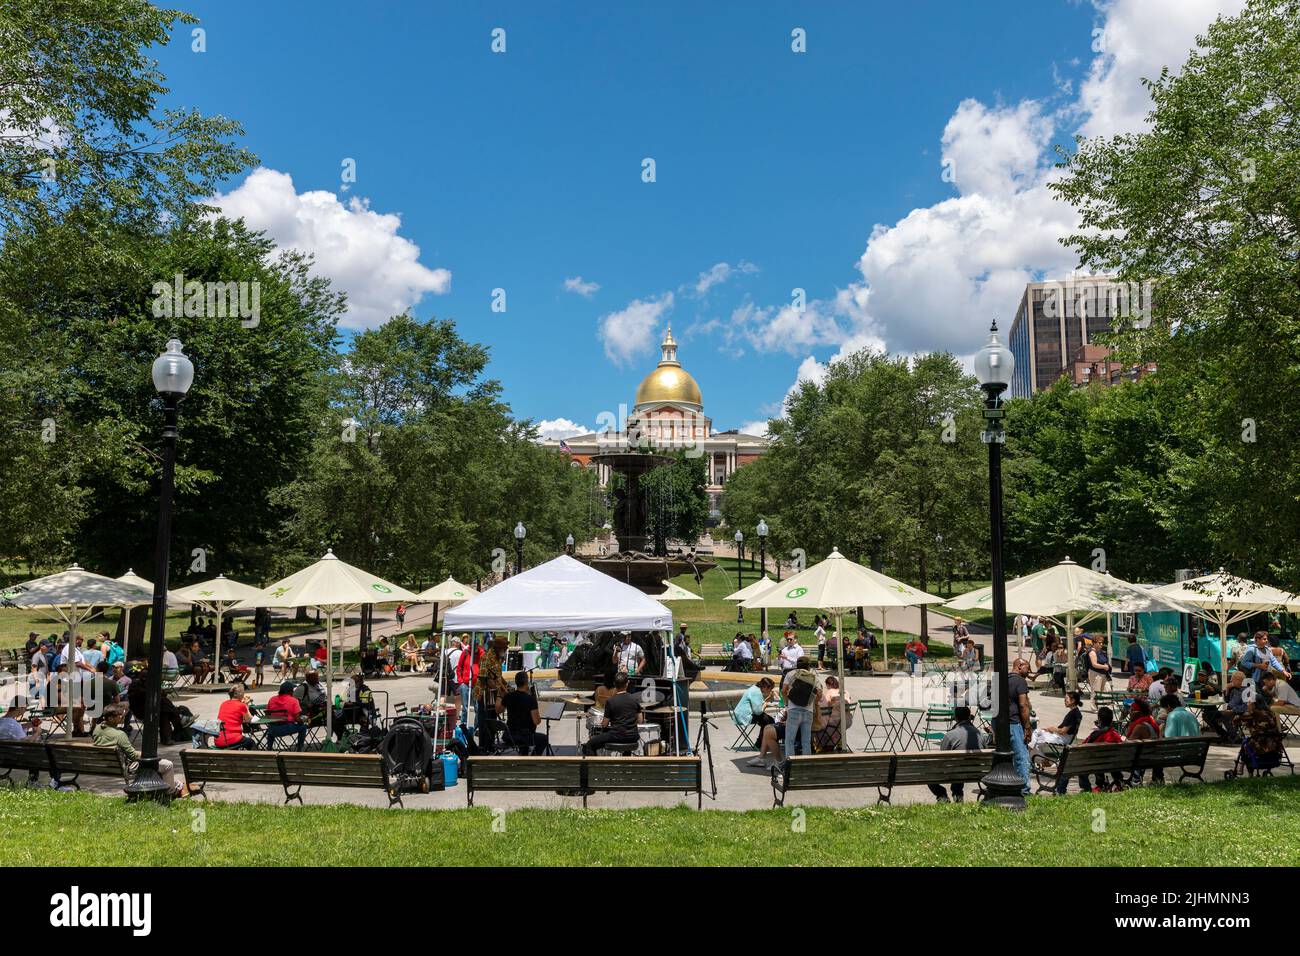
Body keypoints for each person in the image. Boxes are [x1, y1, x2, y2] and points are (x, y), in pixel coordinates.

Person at [93, 705, 184, 798]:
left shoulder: (97, 729)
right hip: (127, 768)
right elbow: (133, 755)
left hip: (107, 765)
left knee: (161, 767)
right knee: (167, 765)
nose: (123, 718)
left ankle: (174, 785)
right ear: (111, 718)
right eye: (121, 716)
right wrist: (149, 754)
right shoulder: (119, 735)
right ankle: (171, 793)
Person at [1059, 706, 1126, 794]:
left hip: (1093, 764)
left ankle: (1063, 790)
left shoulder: (1096, 734)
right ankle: (1118, 783)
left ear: (1100, 720)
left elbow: (1082, 746)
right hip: (1113, 763)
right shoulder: (1115, 735)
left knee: (1070, 765)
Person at [927, 706, 981, 803]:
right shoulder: (978, 733)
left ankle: (942, 795)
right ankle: (958, 796)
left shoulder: (950, 734)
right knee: (960, 767)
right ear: (969, 717)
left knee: (928, 773)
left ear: (955, 718)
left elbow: (942, 755)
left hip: (956, 772)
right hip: (976, 771)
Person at [583, 672, 641, 754]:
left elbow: (605, 724)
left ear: (615, 684)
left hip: (616, 736)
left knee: (590, 744)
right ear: (627, 683)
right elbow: (640, 720)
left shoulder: (611, 701)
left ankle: (594, 766)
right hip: (633, 736)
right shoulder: (635, 699)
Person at [498, 671, 547, 755]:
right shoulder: (530, 699)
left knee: (527, 738)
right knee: (544, 739)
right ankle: (531, 760)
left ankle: (523, 756)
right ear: (526, 682)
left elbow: (499, 710)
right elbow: (537, 721)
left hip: (509, 735)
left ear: (516, 682)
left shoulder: (508, 696)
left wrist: (499, 695)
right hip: (524, 736)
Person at [735, 677, 780, 768]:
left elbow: (758, 706)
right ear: (765, 687)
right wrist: (766, 704)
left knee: (766, 720)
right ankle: (763, 743)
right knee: (769, 721)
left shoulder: (754, 689)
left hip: (741, 714)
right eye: (770, 689)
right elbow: (758, 711)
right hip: (745, 716)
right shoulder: (756, 692)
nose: (770, 691)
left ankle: (761, 743)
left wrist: (766, 701)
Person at [1030, 690, 1082, 763]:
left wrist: (1053, 729)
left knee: (1035, 739)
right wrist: (1050, 729)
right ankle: (1042, 760)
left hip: (1063, 738)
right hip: (1064, 737)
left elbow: (1063, 731)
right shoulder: (1076, 713)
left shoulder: (1073, 714)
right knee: (1037, 735)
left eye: (1066, 699)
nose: (1064, 701)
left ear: (1072, 700)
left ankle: (1041, 759)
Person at [782, 657, 819, 760]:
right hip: (808, 712)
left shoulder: (791, 674)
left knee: (790, 741)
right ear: (808, 666)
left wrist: (787, 704)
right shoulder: (813, 676)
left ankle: (791, 766)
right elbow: (819, 694)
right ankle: (807, 766)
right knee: (806, 742)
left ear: (797, 665)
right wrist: (811, 700)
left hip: (793, 710)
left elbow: (784, 691)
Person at [1007, 657, 1033, 795]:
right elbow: (1023, 705)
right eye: (1027, 668)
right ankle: (1024, 790)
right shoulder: (1020, 681)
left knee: (1007, 758)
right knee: (1021, 757)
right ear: (1019, 666)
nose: (1028, 671)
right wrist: (1027, 727)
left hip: (1001, 725)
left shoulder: (1000, 680)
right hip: (1015, 724)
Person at [1124, 697, 1164, 784]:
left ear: (1139, 713)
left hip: (1142, 759)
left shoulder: (1140, 727)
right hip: (1152, 756)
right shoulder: (1151, 721)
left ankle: (1135, 780)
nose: (1129, 713)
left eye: (1132, 711)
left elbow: (1128, 745)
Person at [813, 674, 854, 752]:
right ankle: (840, 742)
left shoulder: (830, 692)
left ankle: (824, 745)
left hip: (835, 721)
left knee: (819, 724)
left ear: (829, 685)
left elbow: (826, 706)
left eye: (826, 686)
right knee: (835, 726)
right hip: (848, 720)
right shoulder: (845, 691)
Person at [263, 681, 308, 750]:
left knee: (271, 728)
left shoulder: (272, 699)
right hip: (287, 728)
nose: (293, 691)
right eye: (292, 690)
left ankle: (269, 747)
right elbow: (297, 718)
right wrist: (302, 721)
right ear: (289, 691)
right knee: (303, 727)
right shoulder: (294, 700)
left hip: (272, 730)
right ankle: (299, 747)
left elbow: (267, 715)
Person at [214, 685, 254, 749]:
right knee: (251, 742)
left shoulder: (223, 704)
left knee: (242, 741)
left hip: (218, 740)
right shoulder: (241, 705)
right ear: (240, 695)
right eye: (243, 693)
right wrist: (246, 705)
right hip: (231, 740)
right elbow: (249, 719)